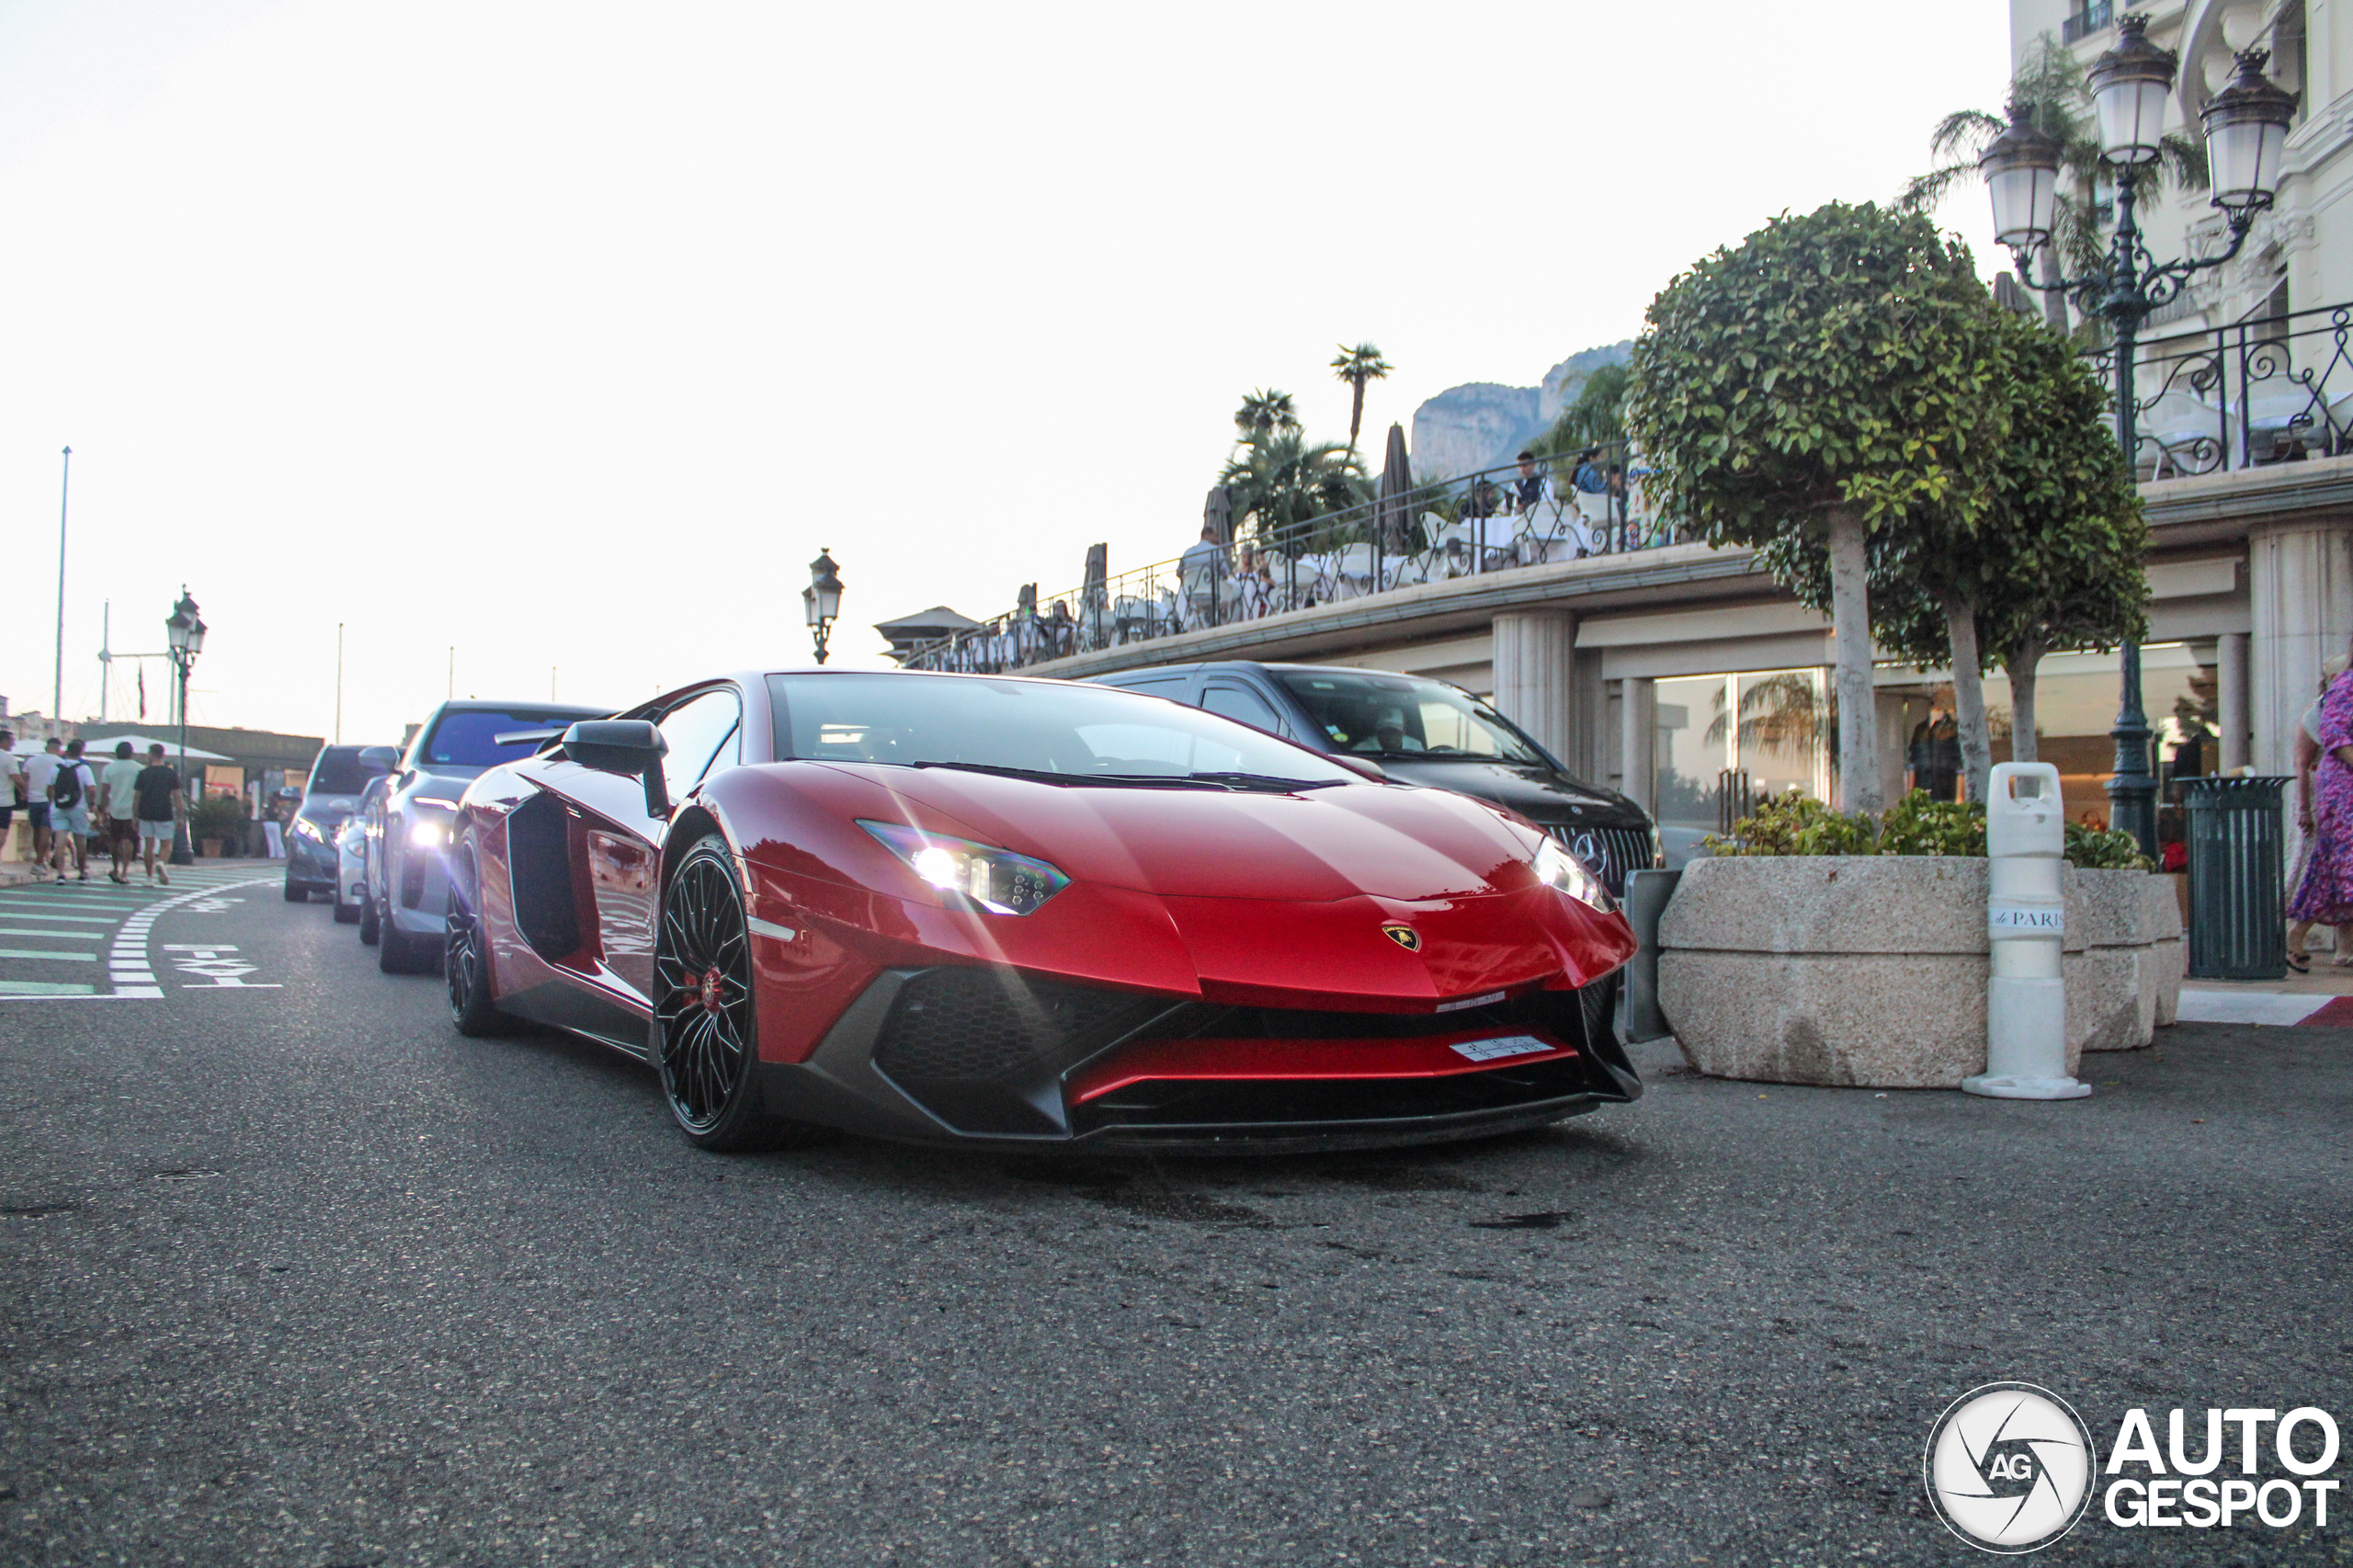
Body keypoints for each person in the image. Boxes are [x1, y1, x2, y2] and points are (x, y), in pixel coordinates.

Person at [131, 743, 182, 884]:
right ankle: (162, 864)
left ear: (151, 755)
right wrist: (181, 816)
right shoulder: (171, 774)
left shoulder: (143, 773)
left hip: (146, 812)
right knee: (167, 845)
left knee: (149, 845)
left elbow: (137, 797)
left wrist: (135, 815)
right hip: (164, 811)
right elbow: (177, 797)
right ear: (163, 755)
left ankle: (149, 877)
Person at [48, 738, 96, 882]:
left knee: (60, 841)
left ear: (66, 751)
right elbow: (91, 789)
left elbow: (49, 788)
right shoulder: (84, 768)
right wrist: (91, 803)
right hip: (78, 807)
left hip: (58, 807)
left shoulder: (56, 767)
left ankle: (60, 874)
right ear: (81, 752)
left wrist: (53, 802)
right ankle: (82, 873)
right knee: (80, 840)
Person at [96, 740, 142, 883]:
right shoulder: (139, 769)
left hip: (114, 807)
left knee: (114, 840)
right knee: (128, 840)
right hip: (132, 809)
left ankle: (115, 868)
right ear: (132, 753)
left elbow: (104, 790)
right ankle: (124, 872)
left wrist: (103, 809)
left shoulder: (109, 768)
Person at [22, 736, 62, 881]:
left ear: (46, 747)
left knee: (37, 831)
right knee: (46, 833)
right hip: (50, 801)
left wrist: (25, 792)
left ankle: (41, 859)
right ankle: (39, 862)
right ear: (59, 749)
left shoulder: (32, 761)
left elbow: (24, 777)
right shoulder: (60, 763)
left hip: (33, 800)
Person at [1906, 701, 1962, 801]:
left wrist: (1960, 797)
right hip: (1922, 790)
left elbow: (1960, 765)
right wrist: (1910, 795)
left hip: (1946, 791)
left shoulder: (1953, 728)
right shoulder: (1920, 729)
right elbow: (1913, 763)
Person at [0, 731, 19, 866]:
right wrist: (25, 792)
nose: (13, 744)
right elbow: (17, 779)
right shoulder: (8, 758)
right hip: (4, 801)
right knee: (2, 833)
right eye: (12, 740)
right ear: (4, 741)